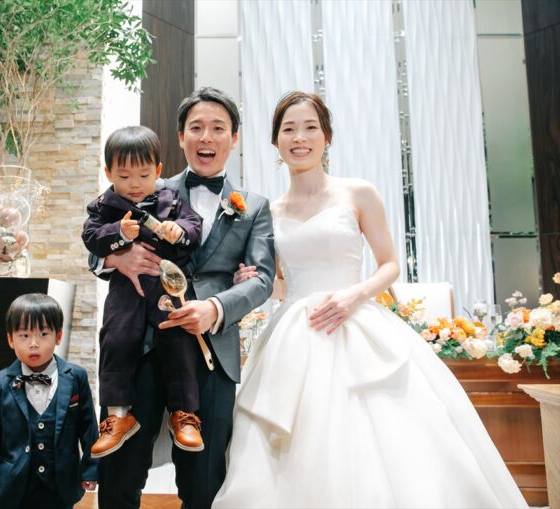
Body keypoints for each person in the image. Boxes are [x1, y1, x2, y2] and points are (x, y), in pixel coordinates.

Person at [212, 91, 528, 508]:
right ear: (275, 142)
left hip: (356, 322)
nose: (299, 137)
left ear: (326, 136)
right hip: (293, 334)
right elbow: (283, 286)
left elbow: (389, 264)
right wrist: (253, 280)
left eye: (310, 127)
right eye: (289, 129)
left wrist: (353, 296)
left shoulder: (357, 193)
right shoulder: (269, 211)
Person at [93, 87, 276, 509]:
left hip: (211, 350)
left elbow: (263, 279)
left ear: (234, 138)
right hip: (141, 343)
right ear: (180, 137)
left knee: (203, 480)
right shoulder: (142, 185)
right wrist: (117, 259)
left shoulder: (254, 207)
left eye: (218, 128)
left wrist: (215, 308)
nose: (206, 137)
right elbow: (94, 245)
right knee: (120, 473)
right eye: (196, 128)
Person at [82, 126, 204, 458]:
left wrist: (178, 230)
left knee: (179, 340)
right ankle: (118, 414)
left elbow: (194, 227)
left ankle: (184, 414)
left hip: (167, 287)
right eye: (124, 176)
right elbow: (91, 238)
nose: (134, 184)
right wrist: (117, 233)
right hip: (126, 290)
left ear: (158, 170)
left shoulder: (172, 199)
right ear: (108, 173)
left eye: (144, 175)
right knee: (115, 339)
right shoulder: (104, 206)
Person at [0, 293, 99, 509]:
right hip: (12, 485)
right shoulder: (0, 382)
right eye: (24, 335)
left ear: (58, 336)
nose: (33, 344)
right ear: (10, 340)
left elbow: (89, 430)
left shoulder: (76, 377)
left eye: (43, 334)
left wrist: (90, 470)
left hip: (60, 484)